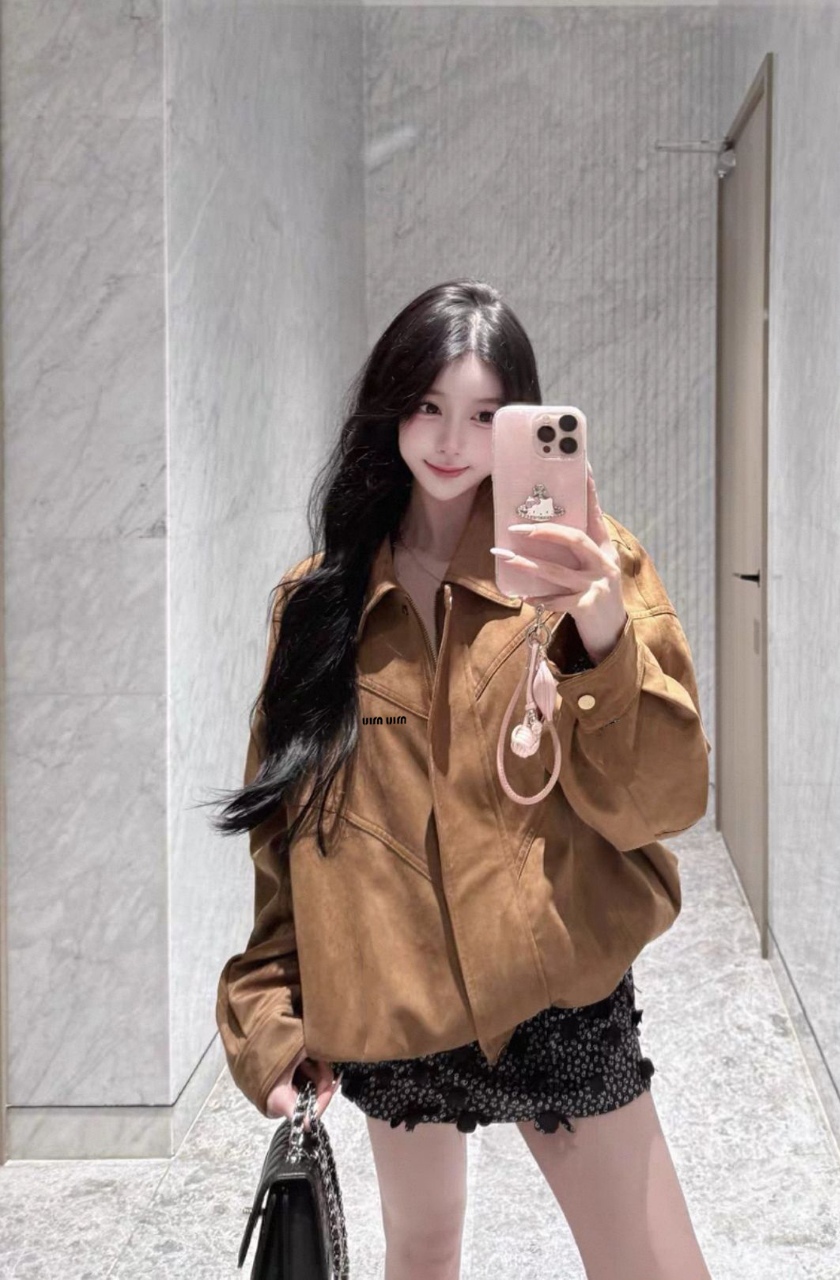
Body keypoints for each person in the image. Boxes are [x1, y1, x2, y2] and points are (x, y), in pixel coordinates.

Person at [212, 279, 713, 1280]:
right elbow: (291, 838)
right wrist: (271, 1015)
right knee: (423, 1250)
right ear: (389, 408)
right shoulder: (320, 605)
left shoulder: (589, 567)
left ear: (524, 421)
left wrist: (602, 633)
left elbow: (661, 801)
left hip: (555, 987)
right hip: (394, 997)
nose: (450, 440)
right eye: (428, 406)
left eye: (486, 416)